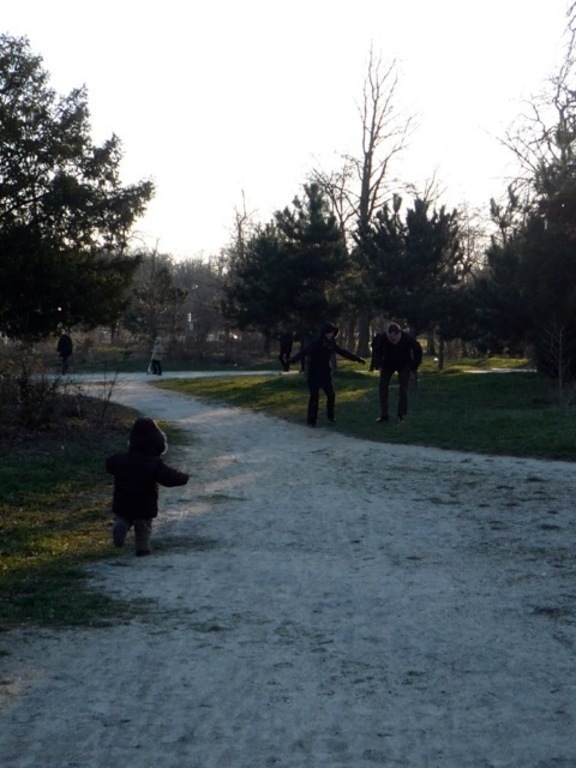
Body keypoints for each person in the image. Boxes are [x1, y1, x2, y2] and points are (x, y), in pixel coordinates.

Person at [106, 417, 189, 556]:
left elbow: (109, 464)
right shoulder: (155, 464)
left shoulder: (120, 459)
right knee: (143, 526)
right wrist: (184, 477)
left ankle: (120, 527)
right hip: (144, 504)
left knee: (123, 518)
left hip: (123, 502)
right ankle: (142, 549)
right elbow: (169, 478)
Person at [289, 322, 365, 427]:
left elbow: (342, 352)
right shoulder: (316, 343)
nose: (332, 334)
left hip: (325, 372)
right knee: (314, 397)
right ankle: (311, 421)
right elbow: (304, 352)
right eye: (330, 332)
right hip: (314, 372)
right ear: (325, 333)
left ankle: (331, 416)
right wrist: (293, 360)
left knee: (331, 394)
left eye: (333, 332)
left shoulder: (332, 343)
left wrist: (356, 359)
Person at [370, 322, 422, 423]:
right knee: (382, 387)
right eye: (389, 337)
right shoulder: (384, 338)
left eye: (393, 337)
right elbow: (377, 351)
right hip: (388, 365)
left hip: (403, 365)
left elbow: (417, 349)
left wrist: (413, 365)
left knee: (404, 389)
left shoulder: (407, 338)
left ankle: (401, 415)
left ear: (398, 333)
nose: (391, 339)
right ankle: (384, 415)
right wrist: (379, 364)